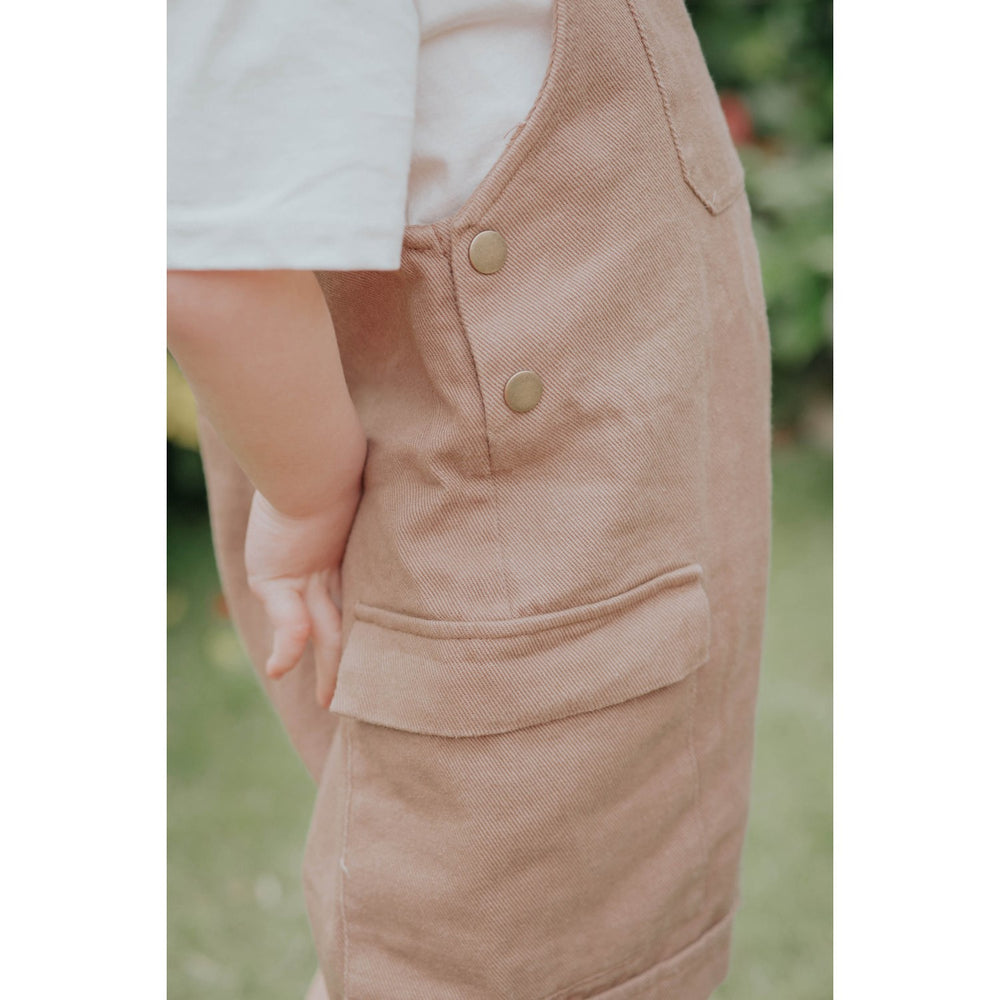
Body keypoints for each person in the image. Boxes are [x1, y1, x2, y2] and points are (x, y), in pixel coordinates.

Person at [168, 1, 773, 997]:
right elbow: (214, 267)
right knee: (483, 946)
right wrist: (310, 498)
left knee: (612, 926)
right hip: (526, 605)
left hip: (629, 567)